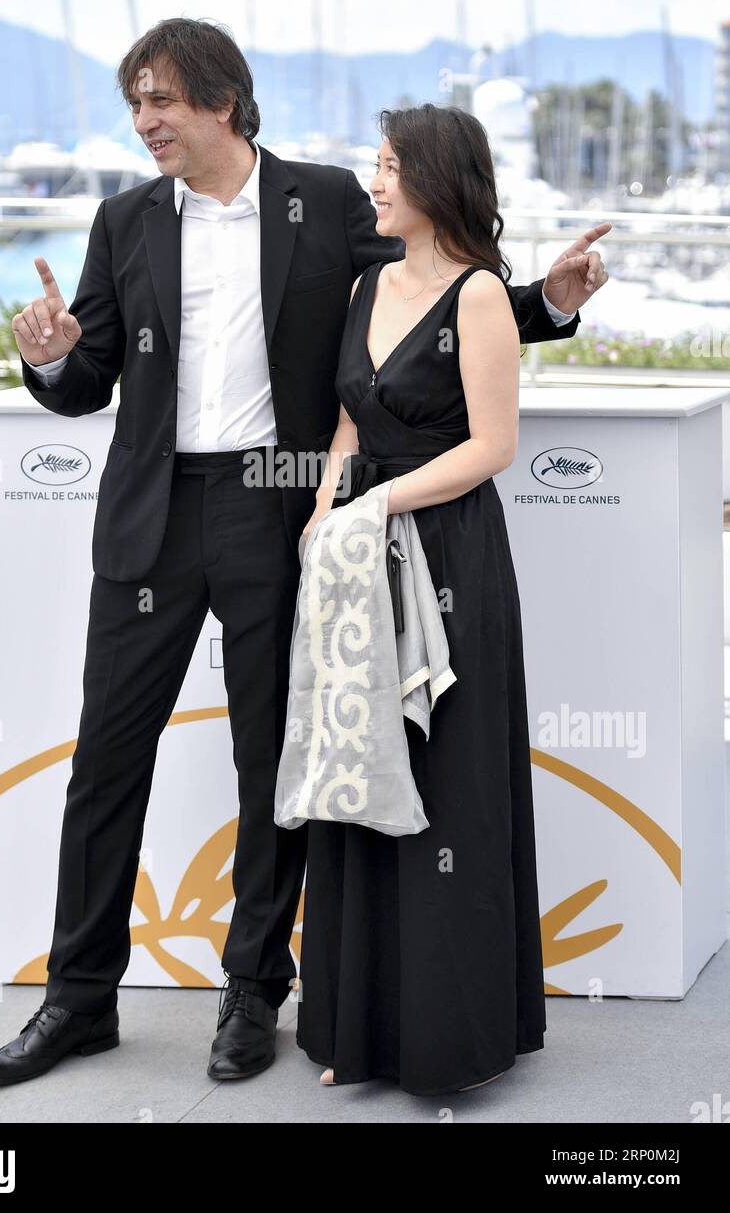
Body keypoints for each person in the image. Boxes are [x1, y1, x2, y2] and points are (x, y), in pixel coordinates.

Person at [0, 18, 609, 1088]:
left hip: (274, 512)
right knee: (104, 760)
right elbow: (89, 379)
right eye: (134, 102)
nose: (143, 122)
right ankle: (76, 1002)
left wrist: (542, 302)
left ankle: (252, 993)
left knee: (273, 766)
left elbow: (438, 289)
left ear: (222, 101)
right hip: (150, 517)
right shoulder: (121, 220)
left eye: (161, 99)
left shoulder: (323, 202)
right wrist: (48, 362)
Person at [294, 103, 582, 1096]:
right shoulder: (367, 281)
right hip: (356, 559)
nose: (372, 183)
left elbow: (490, 448)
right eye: (371, 166)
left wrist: (372, 502)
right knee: (358, 777)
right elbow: (347, 413)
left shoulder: (482, 298)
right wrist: (328, 508)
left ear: (435, 176)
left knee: (445, 788)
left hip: (448, 556)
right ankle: (356, 1029)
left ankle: (447, 1040)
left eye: (386, 166)